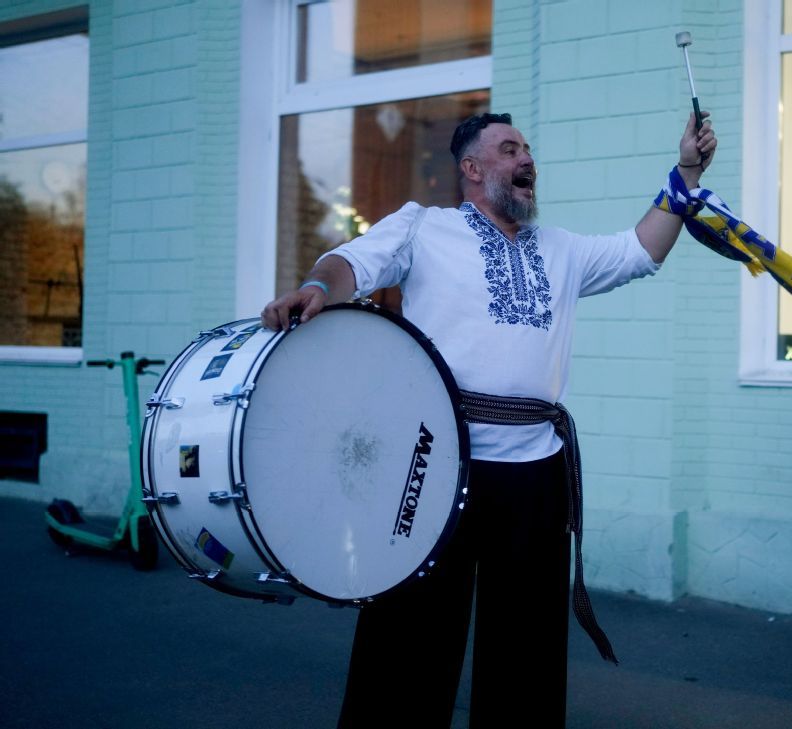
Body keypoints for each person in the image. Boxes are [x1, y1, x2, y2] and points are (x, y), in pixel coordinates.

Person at [261, 110, 716, 728]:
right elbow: (352, 263)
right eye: (508, 149)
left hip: (536, 471)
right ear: (472, 170)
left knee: (526, 649)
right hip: (432, 463)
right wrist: (319, 286)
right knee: (409, 639)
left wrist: (687, 169)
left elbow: (641, 249)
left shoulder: (561, 249)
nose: (526, 158)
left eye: (527, 148)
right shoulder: (425, 227)